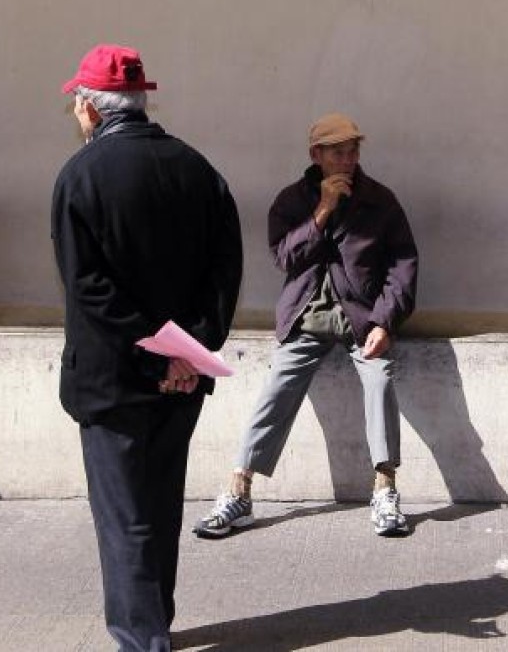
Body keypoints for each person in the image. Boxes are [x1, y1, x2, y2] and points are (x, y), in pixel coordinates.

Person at [52, 44, 242, 651]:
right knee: (159, 507)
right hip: (182, 378)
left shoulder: (79, 176)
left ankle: (142, 640)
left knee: (124, 519)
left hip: (113, 379)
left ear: (88, 107)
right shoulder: (197, 168)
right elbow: (224, 272)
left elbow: (88, 288)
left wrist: (156, 353)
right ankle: (155, 618)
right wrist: (188, 351)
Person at [193, 113, 419, 539]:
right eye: (338, 152)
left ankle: (385, 487)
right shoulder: (291, 201)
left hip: (362, 318)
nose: (348, 160)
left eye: (354, 151)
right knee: (277, 384)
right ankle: (239, 488)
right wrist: (322, 210)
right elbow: (284, 258)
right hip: (306, 317)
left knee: (380, 377)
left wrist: (386, 321)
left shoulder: (380, 200)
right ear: (316, 155)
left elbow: (403, 264)